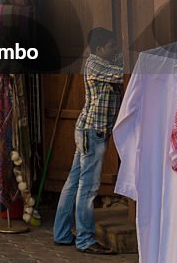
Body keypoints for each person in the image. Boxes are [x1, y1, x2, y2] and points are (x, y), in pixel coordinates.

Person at [53, 27, 123, 255]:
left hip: (86, 130)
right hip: (93, 132)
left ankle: (62, 234)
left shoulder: (99, 61)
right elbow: (121, 73)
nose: (115, 50)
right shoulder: (96, 64)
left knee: (73, 183)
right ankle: (84, 239)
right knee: (88, 189)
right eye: (112, 46)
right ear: (100, 48)